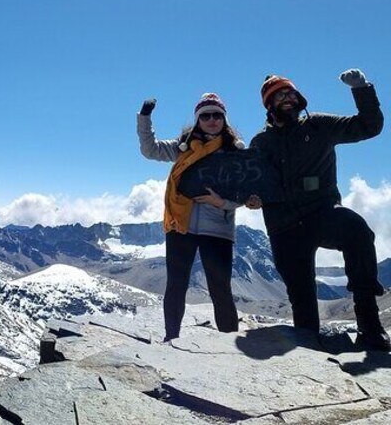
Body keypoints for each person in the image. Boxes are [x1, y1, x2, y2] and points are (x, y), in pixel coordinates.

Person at [247, 69, 389, 350]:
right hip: (284, 227)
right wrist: (252, 199)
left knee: (358, 232)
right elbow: (253, 186)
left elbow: (369, 126)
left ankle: (370, 327)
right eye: (278, 96)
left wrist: (361, 89)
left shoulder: (320, 126)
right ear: (269, 105)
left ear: (299, 98)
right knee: (302, 300)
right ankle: (309, 347)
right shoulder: (260, 144)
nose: (286, 98)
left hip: (321, 214)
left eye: (289, 93)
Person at [138, 93, 242, 341]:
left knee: (220, 289)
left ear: (224, 119)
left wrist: (222, 203)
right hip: (180, 226)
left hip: (217, 228)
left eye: (217, 115)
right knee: (176, 285)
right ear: (197, 120)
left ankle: (230, 347)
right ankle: (171, 338)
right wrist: (144, 117)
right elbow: (150, 150)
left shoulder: (235, 152)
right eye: (205, 115)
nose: (212, 120)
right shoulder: (183, 147)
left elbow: (246, 191)